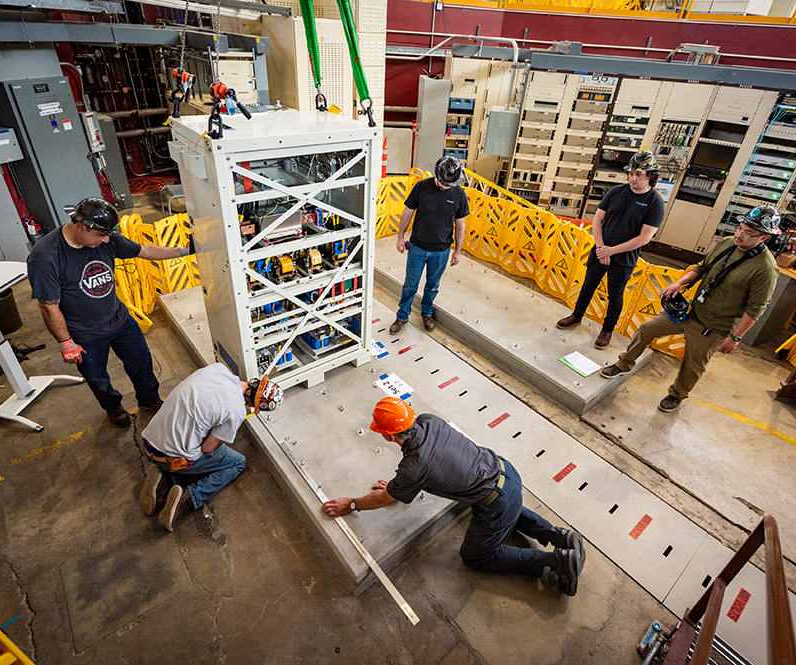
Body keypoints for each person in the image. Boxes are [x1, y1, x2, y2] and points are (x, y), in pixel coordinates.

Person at [323, 397, 587, 596]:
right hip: (506, 471)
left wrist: (353, 503)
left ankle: (557, 562)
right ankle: (559, 536)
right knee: (505, 506)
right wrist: (398, 485)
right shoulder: (429, 420)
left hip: (496, 500)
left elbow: (387, 498)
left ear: (390, 435)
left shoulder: (414, 466)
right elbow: (432, 464)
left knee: (476, 557)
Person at [27, 197, 194, 427]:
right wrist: (66, 342)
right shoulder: (46, 256)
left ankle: (149, 399)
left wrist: (185, 251)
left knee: (141, 362)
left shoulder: (105, 239)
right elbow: (48, 305)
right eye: (101, 235)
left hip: (119, 319)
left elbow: (143, 250)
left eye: (108, 234)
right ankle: (113, 408)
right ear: (81, 227)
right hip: (84, 333)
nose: (107, 240)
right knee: (97, 378)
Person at [600, 206, 781, 412]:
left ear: (764, 238)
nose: (739, 234)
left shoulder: (765, 269)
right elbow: (702, 266)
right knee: (647, 329)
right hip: (689, 311)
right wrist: (679, 283)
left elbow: (755, 308)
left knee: (692, 364)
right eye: (739, 228)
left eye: (748, 233)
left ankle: (676, 395)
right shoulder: (727, 243)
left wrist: (735, 337)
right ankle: (624, 364)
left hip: (713, 325)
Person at [139, 364, 283, 531]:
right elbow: (208, 448)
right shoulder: (236, 410)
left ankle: (165, 480)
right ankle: (188, 497)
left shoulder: (218, 369)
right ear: (251, 402)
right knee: (237, 463)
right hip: (172, 457)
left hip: (149, 442)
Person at [556, 150, 665, 349]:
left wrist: (611, 251)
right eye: (631, 174)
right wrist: (601, 247)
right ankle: (576, 316)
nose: (633, 178)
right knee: (588, 286)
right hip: (600, 251)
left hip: (623, 259)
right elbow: (598, 219)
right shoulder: (616, 192)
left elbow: (644, 238)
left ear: (650, 175)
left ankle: (607, 330)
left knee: (615, 295)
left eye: (638, 174)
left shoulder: (655, 203)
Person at [389, 156, 469, 335]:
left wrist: (458, 250)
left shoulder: (459, 194)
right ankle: (402, 317)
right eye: (443, 184)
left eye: (450, 184)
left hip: (441, 251)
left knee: (432, 285)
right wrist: (400, 236)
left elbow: (461, 224)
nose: (446, 187)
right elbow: (407, 212)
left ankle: (426, 313)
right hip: (417, 247)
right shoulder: (421, 187)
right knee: (410, 284)